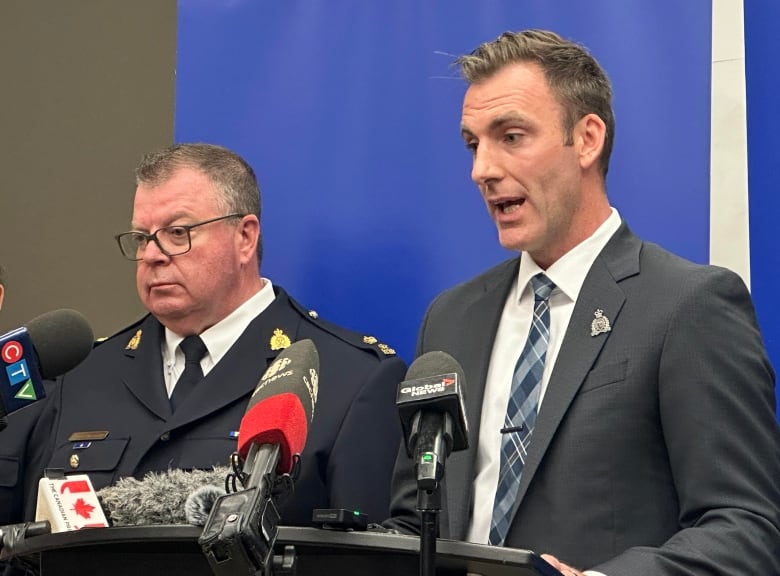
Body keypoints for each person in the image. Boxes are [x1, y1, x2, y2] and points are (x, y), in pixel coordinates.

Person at [383, 30, 780, 575]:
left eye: (512, 136)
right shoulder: (451, 318)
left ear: (587, 138)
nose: (483, 170)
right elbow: (413, 524)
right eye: (474, 144)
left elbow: (745, 530)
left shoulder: (689, 305)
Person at [7, 143, 406, 530]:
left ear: (245, 238)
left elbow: (365, 559)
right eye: (143, 238)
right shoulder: (84, 373)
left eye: (177, 233)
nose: (151, 255)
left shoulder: (351, 378)